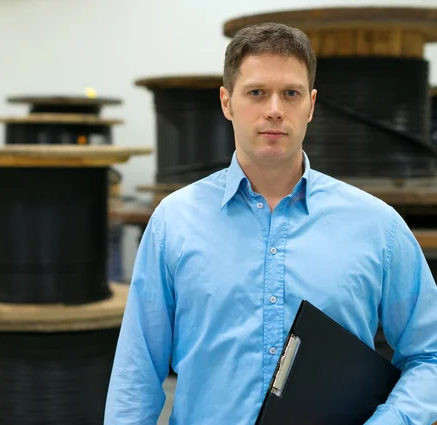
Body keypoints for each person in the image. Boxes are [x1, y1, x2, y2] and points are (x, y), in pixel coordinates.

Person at [103, 22, 437, 425]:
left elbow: (429, 353)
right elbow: (136, 374)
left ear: (311, 105)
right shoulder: (173, 223)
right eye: (257, 92)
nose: (274, 109)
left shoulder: (378, 228)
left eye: (290, 94)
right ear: (227, 102)